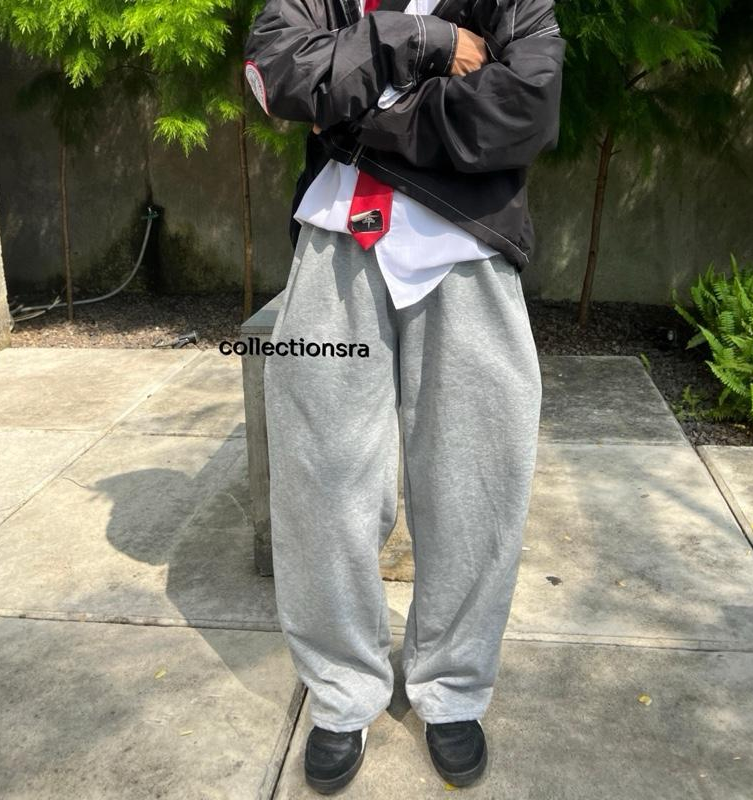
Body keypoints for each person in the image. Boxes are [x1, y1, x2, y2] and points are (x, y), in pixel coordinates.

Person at [244, 0, 565, 792]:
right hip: (334, 248)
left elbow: (522, 115)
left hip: (469, 251)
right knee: (321, 486)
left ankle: (452, 688)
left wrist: (358, 118)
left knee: (475, 482)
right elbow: (278, 76)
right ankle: (341, 693)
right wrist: (419, 41)